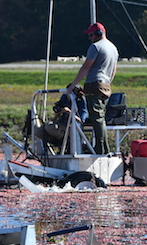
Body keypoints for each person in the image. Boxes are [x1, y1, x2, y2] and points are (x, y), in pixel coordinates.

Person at [67, 22, 119, 155]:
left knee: (97, 119)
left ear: (99, 34)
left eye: (91, 35)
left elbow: (86, 67)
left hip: (94, 85)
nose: (89, 38)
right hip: (105, 85)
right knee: (100, 117)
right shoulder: (113, 48)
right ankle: (102, 147)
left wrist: (73, 85)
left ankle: (101, 149)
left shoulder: (95, 47)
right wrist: (107, 83)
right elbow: (113, 70)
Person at [36, 84, 88, 148]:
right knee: (38, 131)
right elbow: (58, 107)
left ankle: (66, 143)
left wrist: (69, 112)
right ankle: (60, 144)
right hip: (62, 122)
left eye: (69, 93)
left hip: (72, 125)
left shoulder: (82, 101)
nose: (67, 95)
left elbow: (81, 120)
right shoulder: (65, 97)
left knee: (50, 128)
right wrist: (59, 110)